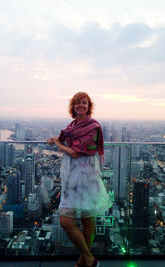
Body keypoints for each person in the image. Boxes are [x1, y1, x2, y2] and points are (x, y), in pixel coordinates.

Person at [47, 92, 112, 267]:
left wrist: (59, 146)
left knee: (86, 219)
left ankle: (84, 260)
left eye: (84, 103)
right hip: (72, 178)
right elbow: (66, 140)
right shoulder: (72, 125)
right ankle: (88, 259)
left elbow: (75, 152)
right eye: (77, 103)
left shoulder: (93, 127)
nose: (80, 105)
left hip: (86, 177)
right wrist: (55, 140)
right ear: (73, 107)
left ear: (88, 106)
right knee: (67, 221)